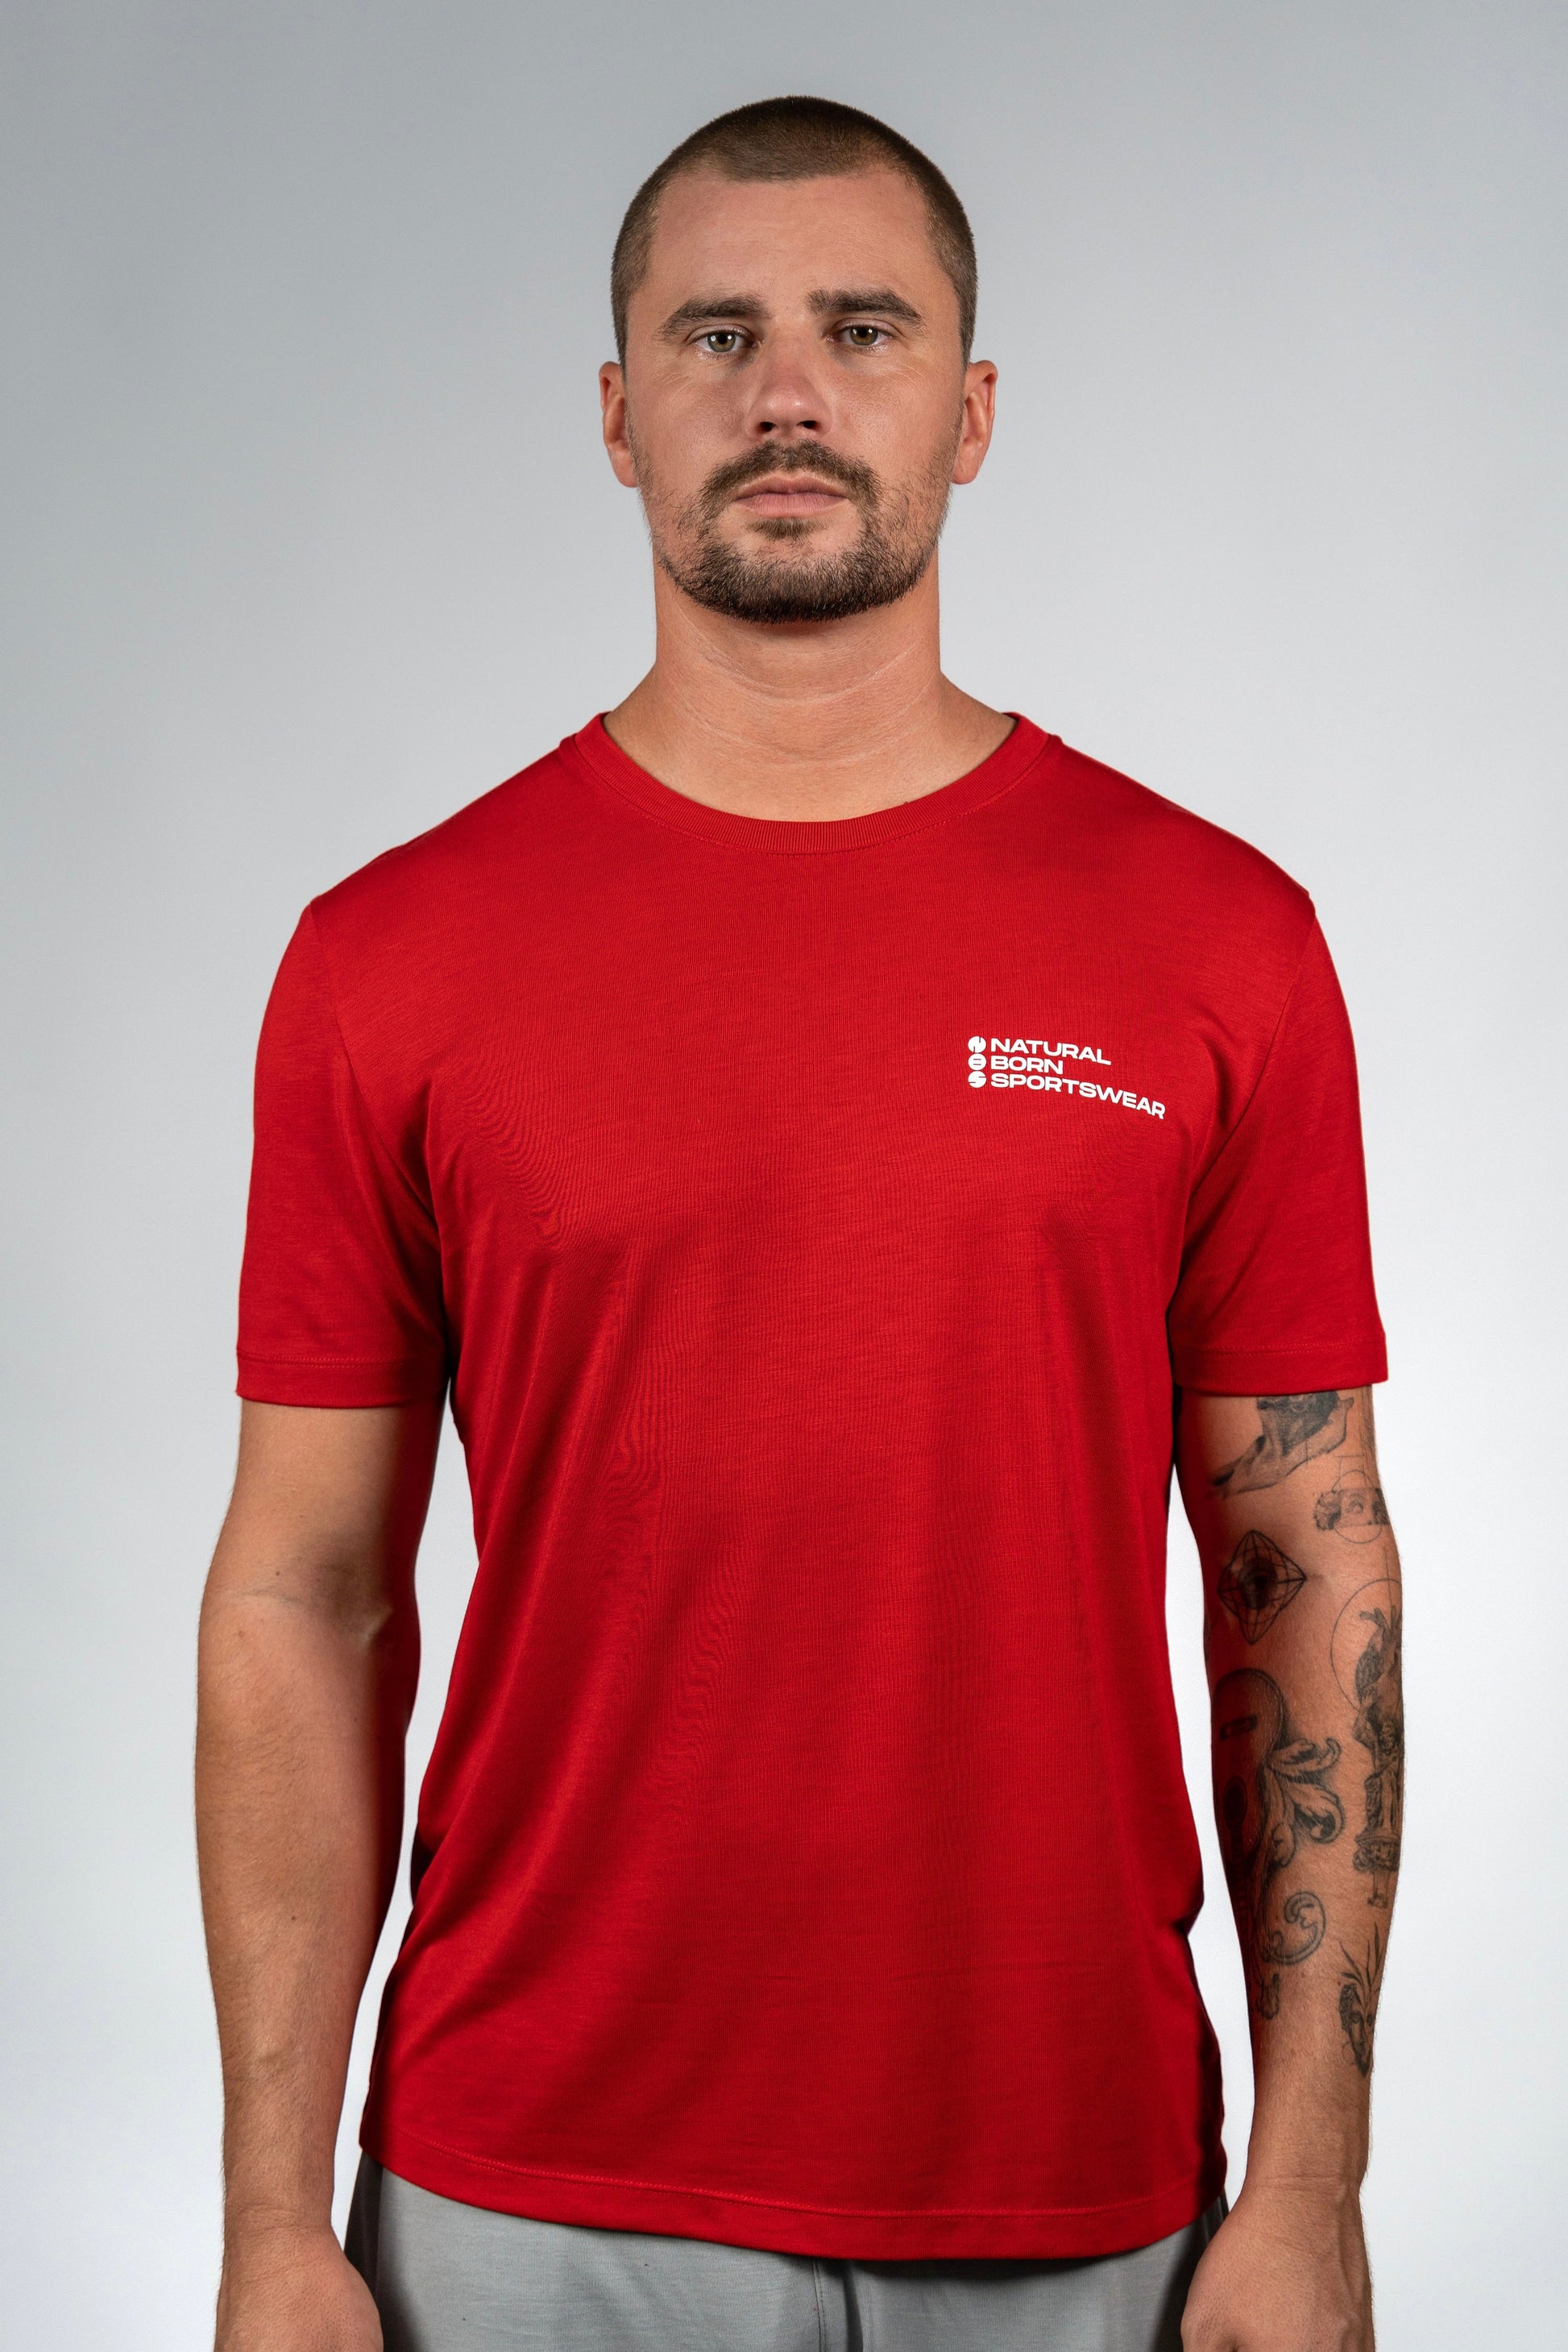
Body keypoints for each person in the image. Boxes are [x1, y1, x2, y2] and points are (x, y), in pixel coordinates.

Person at [197, 95, 1402, 2352]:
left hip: (1077, 2180)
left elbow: (1301, 1557)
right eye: (713, 333)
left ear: (971, 411)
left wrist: (1313, 2181)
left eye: (862, 330)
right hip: (525, 2192)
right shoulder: (390, 961)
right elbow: (305, 1590)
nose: (784, 393)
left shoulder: (1218, 941)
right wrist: (274, 2218)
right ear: (614, 413)